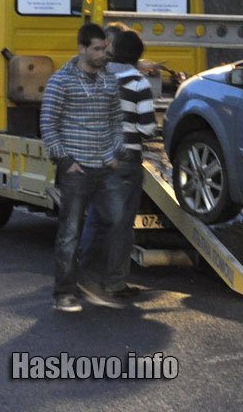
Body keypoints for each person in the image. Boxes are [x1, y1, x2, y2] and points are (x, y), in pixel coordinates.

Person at [40, 23, 124, 312]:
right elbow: (48, 123)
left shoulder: (109, 80)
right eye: (98, 49)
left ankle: (89, 279)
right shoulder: (60, 81)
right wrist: (65, 160)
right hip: (76, 168)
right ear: (82, 49)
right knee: (70, 232)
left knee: (115, 220)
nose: (104, 54)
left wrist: (116, 151)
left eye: (106, 48)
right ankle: (64, 293)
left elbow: (116, 119)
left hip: (105, 165)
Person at [78, 30, 157, 300]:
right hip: (125, 163)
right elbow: (147, 128)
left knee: (96, 220)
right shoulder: (137, 83)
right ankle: (114, 283)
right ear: (137, 56)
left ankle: (85, 277)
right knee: (122, 225)